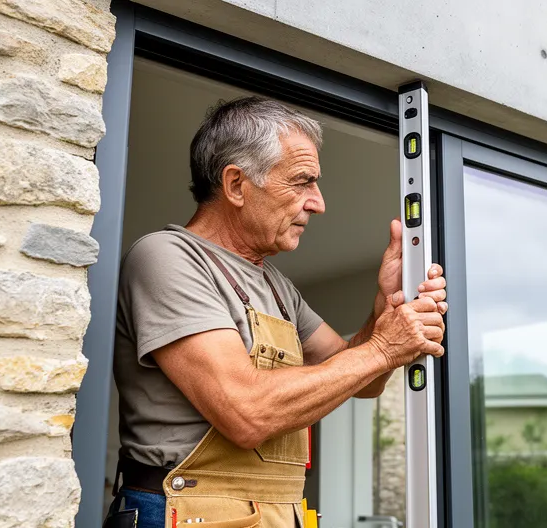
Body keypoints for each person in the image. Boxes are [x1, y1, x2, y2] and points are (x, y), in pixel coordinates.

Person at [108, 96, 447, 528]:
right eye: (302, 182)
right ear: (235, 185)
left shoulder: (276, 285)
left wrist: (385, 308)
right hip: (185, 511)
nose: (318, 202)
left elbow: (358, 379)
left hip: (272, 514)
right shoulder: (168, 257)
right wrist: (385, 347)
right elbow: (245, 412)